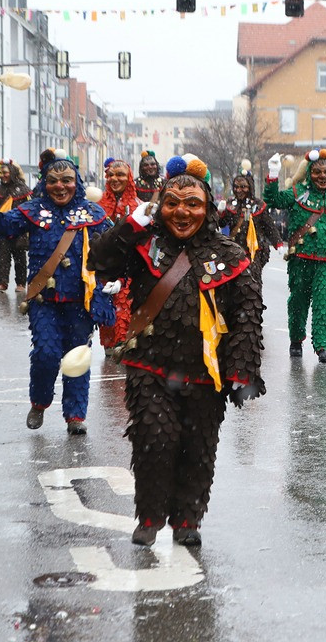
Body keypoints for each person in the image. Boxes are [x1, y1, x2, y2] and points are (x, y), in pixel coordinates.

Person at [89, 155, 265, 545]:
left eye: (192, 204)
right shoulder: (144, 244)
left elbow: (248, 314)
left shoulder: (231, 255)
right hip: (149, 364)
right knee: (155, 438)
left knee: (198, 448)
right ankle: (150, 516)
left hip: (206, 374)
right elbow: (98, 260)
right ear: (161, 206)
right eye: (172, 203)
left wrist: (242, 371)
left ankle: (188, 521)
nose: (181, 212)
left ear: (207, 209)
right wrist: (134, 223)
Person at [0, 149, 116, 435]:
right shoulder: (33, 209)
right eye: (53, 181)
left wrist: (114, 278)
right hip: (43, 299)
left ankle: (75, 416)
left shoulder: (93, 213)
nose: (60, 186)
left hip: (81, 300)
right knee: (45, 353)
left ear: (76, 182)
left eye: (66, 180)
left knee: (77, 358)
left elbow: (116, 247)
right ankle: (39, 402)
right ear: (44, 182)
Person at [263, 149, 326, 363]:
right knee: (298, 302)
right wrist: (273, 174)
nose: (323, 176)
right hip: (300, 259)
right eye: (318, 172)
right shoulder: (297, 193)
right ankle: (296, 339)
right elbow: (273, 199)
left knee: (324, 304)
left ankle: (324, 346)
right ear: (310, 173)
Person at [97, 158, 141, 350]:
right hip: (104, 266)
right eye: (111, 175)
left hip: (128, 267)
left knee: (125, 306)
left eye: (120, 175)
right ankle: (109, 345)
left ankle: (123, 345)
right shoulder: (97, 206)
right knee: (106, 307)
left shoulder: (139, 206)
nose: (115, 179)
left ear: (129, 178)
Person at [219, 174, 280, 280]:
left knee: (253, 281)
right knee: (235, 282)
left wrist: (277, 242)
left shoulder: (259, 205)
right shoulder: (230, 204)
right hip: (235, 250)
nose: (239, 190)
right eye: (236, 187)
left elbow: (269, 226)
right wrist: (220, 212)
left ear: (250, 187)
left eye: (243, 187)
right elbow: (222, 223)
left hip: (255, 251)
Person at [0, 158, 33, 292]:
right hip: (2, 228)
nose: (2, 175)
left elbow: (30, 208)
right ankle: (2, 283)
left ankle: (20, 283)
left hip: (19, 228)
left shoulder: (24, 190)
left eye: (5, 172)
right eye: (1, 173)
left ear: (12, 172)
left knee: (20, 257)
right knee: (3, 257)